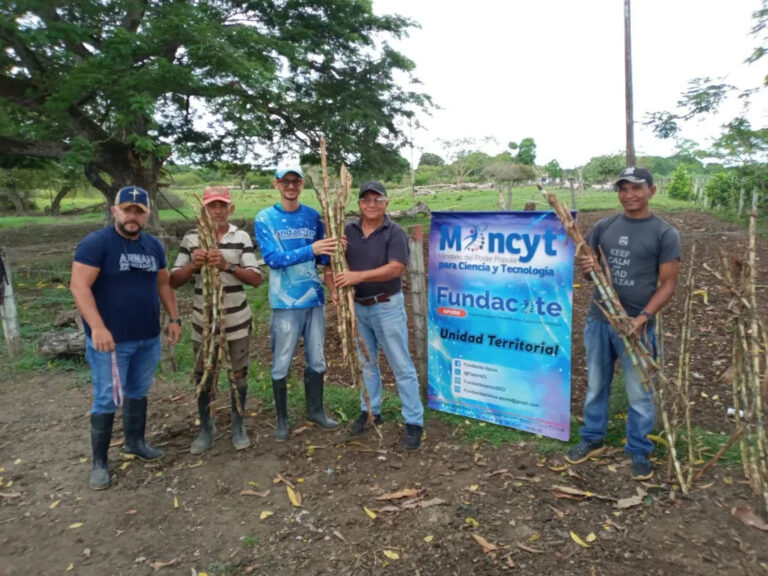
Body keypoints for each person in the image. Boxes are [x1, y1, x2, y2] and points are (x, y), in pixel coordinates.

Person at [564, 167, 681, 480]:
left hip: (636, 325)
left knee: (640, 392)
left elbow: (668, 284)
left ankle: (640, 449)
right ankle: (592, 438)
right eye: (623, 188)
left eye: (636, 188)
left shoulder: (664, 233)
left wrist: (643, 318)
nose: (629, 195)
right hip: (600, 320)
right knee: (596, 384)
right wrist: (587, 267)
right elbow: (591, 272)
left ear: (651, 191)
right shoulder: (605, 226)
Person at [70, 186, 182, 490]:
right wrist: (98, 328)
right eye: (127, 209)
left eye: (139, 211)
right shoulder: (98, 243)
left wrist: (174, 318)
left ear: (146, 215)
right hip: (111, 340)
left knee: (138, 390)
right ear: (114, 210)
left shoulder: (153, 246)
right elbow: (79, 287)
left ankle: (135, 442)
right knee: (107, 396)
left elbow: (163, 283)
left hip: (147, 336)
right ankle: (100, 462)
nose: (132, 216)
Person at [170, 186, 262, 454]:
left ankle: (238, 424)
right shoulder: (191, 239)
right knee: (205, 375)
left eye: (223, 206)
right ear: (204, 210)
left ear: (230, 209)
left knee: (239, 373)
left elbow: (256, 278)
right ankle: (206, 428)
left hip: (236, 321)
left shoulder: (241, 236)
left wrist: (227, 266)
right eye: (213, 206)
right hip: (204, 323)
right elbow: (174, 280)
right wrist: (193, 266)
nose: (218, 211)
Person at [334, 181, 425, 450]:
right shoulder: (348, 230)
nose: (371, 204)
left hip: (386, 305)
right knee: (366, 363)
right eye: (366, 200)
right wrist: (336, 252)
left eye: (377, 199)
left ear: (386, 203)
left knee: (401, 364)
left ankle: (414, 422)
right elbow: (334, 265)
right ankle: (371, 411)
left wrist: (357, 276)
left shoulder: (393, 231)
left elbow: (395, 269)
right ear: (359, 203)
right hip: (358, 306)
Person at [254, 162, 339, 440]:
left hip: (313, 300)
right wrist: (311, 249)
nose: (291, 186)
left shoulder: (314, 218)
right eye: (285, 182)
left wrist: (333, 250)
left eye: (296, 182)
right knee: (281, 361)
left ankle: (315, 411)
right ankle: (282, 419)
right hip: (284, 303)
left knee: (317, 359)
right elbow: (273, 260)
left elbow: (323, 259)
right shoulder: (265, 218)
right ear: (276, 184)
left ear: (302, 184)